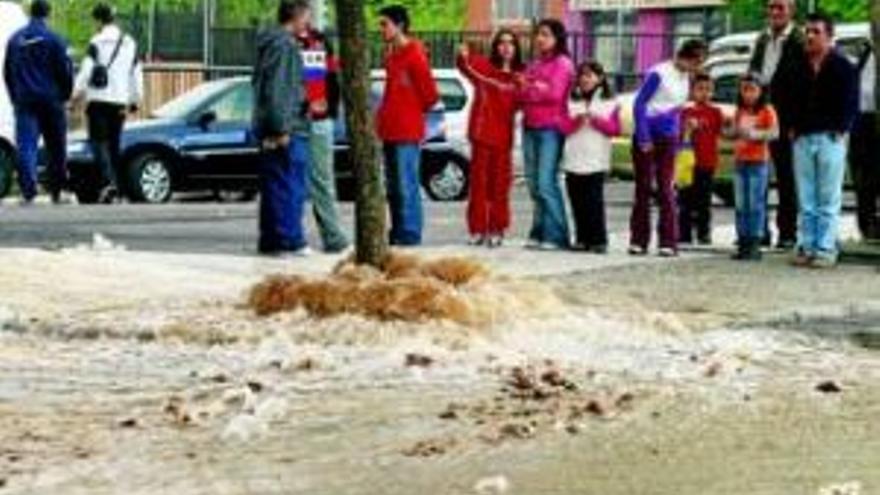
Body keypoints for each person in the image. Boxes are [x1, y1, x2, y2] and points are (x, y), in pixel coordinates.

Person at [789, 12, 859, 268]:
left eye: (816, 32)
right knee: (806, 197)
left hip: (831, 136)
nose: (810, 36)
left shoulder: (844, 66)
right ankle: (806, 246)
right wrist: (792, 127)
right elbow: (786, 98)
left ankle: (826, 248)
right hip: (803, 136)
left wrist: (842, 128)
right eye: (807, 31)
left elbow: (851, 101)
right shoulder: (798, 65)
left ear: (830, 36)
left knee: (828, 196)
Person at [629, 39, 707, 257]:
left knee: (666, 188)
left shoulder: (686, 78)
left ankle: (668, 241)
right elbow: (640, 103)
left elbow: (677, 108)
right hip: (648, 134)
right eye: (696, 61)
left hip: (669, 136)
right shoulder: (659, 73)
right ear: (685, 56)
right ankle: (638, 239)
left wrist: (682, 135)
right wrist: (644, 136)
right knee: (643, 188)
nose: (697, 67)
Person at [375, 5, 439, 246]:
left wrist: (409, 113)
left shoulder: (415, 53)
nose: (381, 29)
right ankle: (398, 230)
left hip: (407, 131)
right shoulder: (391, 57)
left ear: (399, 25)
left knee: (406, 183)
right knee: (393, 186)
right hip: (389, 130)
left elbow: (430, 96)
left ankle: (410, 233)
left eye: (384, 24)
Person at [252, 0, 311, 256]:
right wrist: (282, 128)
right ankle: (289, 240)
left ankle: (272, 239)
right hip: (288, 128)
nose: (309, 23)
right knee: (289, 185)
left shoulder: (268, 45)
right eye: (307, 17)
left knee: (274, 185)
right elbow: (281, 90)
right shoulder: (286, 47)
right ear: (296, 15)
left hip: (269, 125)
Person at [456, 29, 523, 248]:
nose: (506, 47)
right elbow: (464, 64)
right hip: (482, 134)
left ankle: (497, 229)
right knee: (478, 186)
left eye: (511, 43)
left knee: (500, 187)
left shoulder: (521, 76)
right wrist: (462, 53)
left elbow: (528, 100)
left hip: (504, 138)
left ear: (516, 48)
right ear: (495, 47)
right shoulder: (484, 68)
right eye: (502, 43)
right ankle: (477, 230)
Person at [2, 0, 72, 205]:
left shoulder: (15, 39)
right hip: (51, 100)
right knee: (56, 145)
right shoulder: (55, 39)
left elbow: (7, 72)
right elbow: (64, 71)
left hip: (25, 100)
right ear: (47, 14)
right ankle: (56, 189)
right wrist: (64, 95)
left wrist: (15, 96)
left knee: (26, 144)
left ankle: (28, 189)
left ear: (31, 13)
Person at [748, 0, 806, 249]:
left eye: (780, 7)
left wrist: (796, 123)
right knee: (758, 176)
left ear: (791, 10)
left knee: (786, 178)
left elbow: (805, 84)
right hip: (760, 116)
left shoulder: (800, 40)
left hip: (786, 119)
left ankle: (787, 232)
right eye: (771, 7)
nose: (774, 12)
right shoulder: (762, 40)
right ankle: (759, 230)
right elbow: (753, 74)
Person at [73, 2, 143, 204]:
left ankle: (108, 183)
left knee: (98, 143)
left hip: (99, 101)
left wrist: (76, 93)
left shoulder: (97, 41)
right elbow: (136, 73)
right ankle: (116, 188)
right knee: (114, 145)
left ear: (98, 20)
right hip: (120, 101)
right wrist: (135, 99)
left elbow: (86, 70)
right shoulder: (129, 42)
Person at [293, 4, 349, 253]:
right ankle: (296, 237)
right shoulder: (290, 41)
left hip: (318, 119)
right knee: (300, 181)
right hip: (302, 120)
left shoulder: (318, 41)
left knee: (321, 181)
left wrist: (328, 111)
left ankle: (332, 237)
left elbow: (329, 78)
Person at [517, 19, 575, 251]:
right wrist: (533, 88)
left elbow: (554, 94)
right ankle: (538, 231)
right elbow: (520, 94)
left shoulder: (563, 63)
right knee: (533, 184)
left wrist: (531, 87)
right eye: (538, 34)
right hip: (530, 126)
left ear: (557, 38)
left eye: (545, 34)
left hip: (551, 128)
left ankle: (557, 236)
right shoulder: (535, 64)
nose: (540, 39)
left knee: (546, 182)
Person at [560, 60, 621, 254]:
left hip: (596, 161)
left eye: (589, 75)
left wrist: (595, 120)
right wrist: (577, 122)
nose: (585, 79)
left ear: (600, 78)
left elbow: (615, 129)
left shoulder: (610, 102)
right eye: (582, 75)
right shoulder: (570, 100)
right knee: (577, 201)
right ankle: (581, 238)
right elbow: (562, 127)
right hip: (574, 160)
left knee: (594, 202)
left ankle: (598, 240)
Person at [729, 73, 779, 261]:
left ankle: (755, 241)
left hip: (758, 161)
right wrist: (732, 131)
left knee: (755, 203)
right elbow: (733, 131)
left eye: (752, 90)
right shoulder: (740, 111)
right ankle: (742, 240)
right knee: (741, 203)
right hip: (740, 160)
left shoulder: (767, 110)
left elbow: (775, 132)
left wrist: (754, 134)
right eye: (744, 90)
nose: (748, 94)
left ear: (760, 91)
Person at [678, 72, 724, 246]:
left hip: (707, 162)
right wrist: (689, 129)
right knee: (685, 200)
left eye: (708, 89)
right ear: (692, 91)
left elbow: (721, 132)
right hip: (688, 163)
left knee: (704, 200)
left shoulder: (716, 112)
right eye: (700, 89)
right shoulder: (686, 112)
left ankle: (704, 233)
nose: (704, 93)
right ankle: (684, 233)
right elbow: (680, 137)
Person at [849, 40, 878, 241]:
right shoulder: (864, 53)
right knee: (862, 176)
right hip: (861, 120)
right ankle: (866, 224)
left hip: (876, 118)